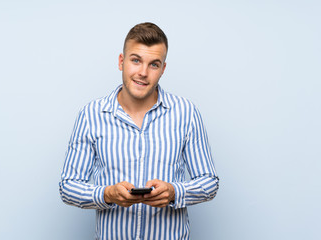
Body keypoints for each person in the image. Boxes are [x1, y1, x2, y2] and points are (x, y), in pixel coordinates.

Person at [59, 22, 219, 240]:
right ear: (121, 62)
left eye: (154, 64)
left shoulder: (187, 113)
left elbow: (209, 181)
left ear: (163, 69)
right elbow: (68, 186)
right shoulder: (91, 115)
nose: (143, 73)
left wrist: (174, 192)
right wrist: (106, 194)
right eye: (136, 60)